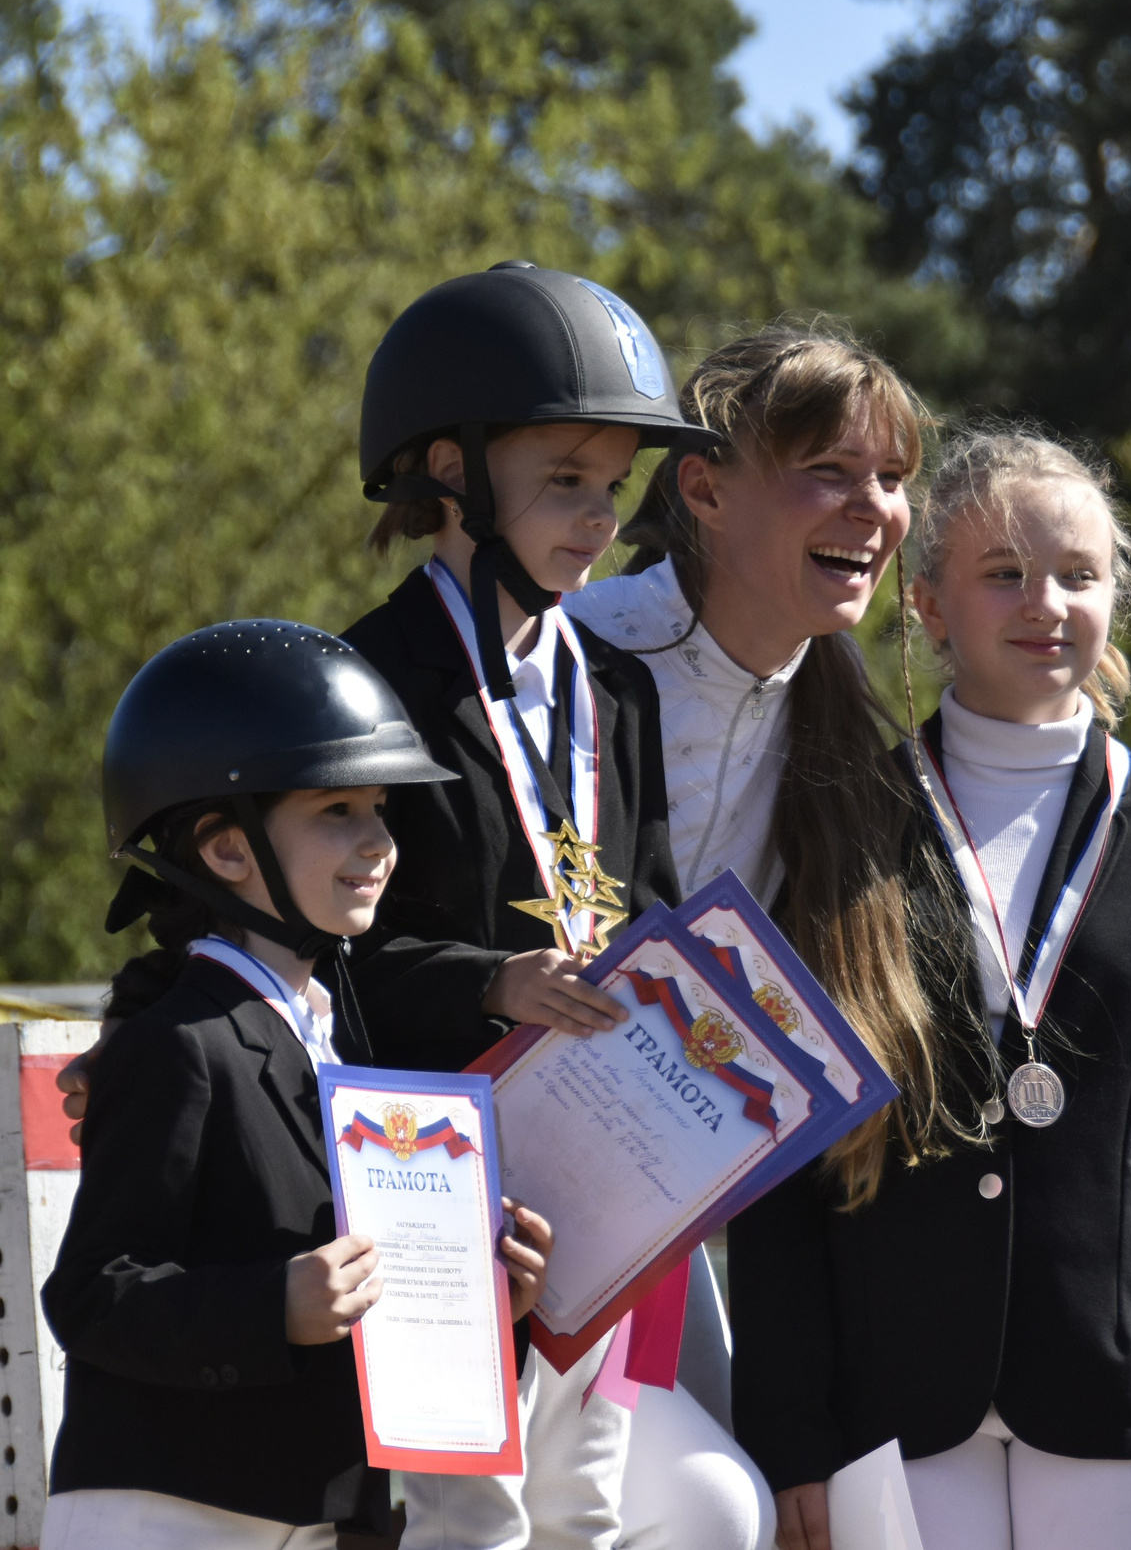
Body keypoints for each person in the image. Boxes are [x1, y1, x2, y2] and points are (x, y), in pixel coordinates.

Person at [725, 423, 1131, 1550]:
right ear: (931, 608)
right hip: (887, 1401)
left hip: (1129, 1392)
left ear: (1114, 601)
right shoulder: (839, 818)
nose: (1044, 602)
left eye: (1077, 576)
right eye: (1004, 575)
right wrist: (788, 1429)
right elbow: (785, 1145)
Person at [336, 261, 764, 1550]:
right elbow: (330, 958)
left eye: (612, 488)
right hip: (433, 1172)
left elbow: (655, 910)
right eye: (566, 480)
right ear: (450, 473)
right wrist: (488, 980)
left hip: (602, 1170)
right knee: (473, 1521)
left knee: (583, 1508)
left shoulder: (615, 694)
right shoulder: (361, 684)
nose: (599, 518)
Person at [40, 620, 555, 1550]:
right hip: (166, 1513)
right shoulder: (177, 1045)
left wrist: (481, 1298)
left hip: (315, 1514)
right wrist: (270, 1305)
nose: (379, 843)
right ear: (227, 850)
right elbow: (90, 1294)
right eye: (337, 811)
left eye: (380, 810)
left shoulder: (344, 1034)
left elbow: (354, 1290)